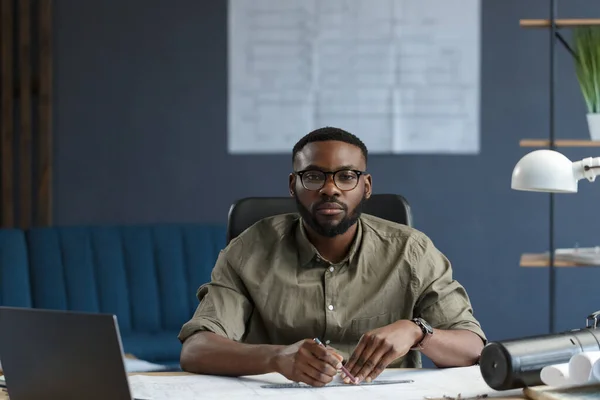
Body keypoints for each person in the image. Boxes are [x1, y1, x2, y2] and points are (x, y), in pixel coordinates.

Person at [178, 127, 486, 387]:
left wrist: (418, 331)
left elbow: (473, 348)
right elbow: (195, 349)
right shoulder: (249, 250)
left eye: (347, 176)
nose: (330, 189)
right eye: (313, 176)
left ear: (365, 187)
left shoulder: (412, 251)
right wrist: (275, 357)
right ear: (292, 185)